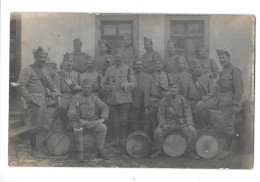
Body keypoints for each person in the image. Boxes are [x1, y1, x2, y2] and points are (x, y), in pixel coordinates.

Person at [196, 49, 244, 159]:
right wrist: (208, 96)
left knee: (228, 126)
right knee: (200, 105)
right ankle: (205, 129)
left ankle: (227, 150)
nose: (221, 60)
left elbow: (239, 89)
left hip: (229, 102)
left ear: (228, 58)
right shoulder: (222, 72)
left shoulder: (234, 70)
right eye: (220, 58)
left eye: (223, 58)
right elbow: (216, 87)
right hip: (218, 100)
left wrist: (236, 104)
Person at [16, 47, 61, 158]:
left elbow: (51, 85)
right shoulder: (27, 70)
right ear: (35, 57)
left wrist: (58, 95)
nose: (42, 59)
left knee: (43, 125)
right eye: (40, 57)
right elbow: (19, 85)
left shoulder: (44, 70)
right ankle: (34, 150)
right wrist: (29, 99)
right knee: (34, 126)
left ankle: (41, 147)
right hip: (35, 102)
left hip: (44, 101)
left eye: (44, 57)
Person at [150, 82, 199, 159]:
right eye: (171, 87)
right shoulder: (163, 100)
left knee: (193, 133)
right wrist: (163, 124)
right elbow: (160, 114)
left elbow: (188, 113)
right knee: (157, 133)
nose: (173, 89)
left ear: (178, 89)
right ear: (169, 89)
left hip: (182, 123)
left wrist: (190, 124)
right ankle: (160, 151)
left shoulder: (183, 99)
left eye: (175, 87)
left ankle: (189, 152)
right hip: (168, 123)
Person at [67, 79, 109, 161]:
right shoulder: (76, 98)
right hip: (79, 121)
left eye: (89, 88)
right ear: (82, 88)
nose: (87, 89)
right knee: (77, 128)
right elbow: (71, 110)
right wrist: (78, 119)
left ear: (91, 89)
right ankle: (80, 152)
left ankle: (99, 150)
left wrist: (103, 118)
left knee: (103, 128)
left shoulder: (94, 98)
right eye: (85, 87)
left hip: (91, 121)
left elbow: (105, 107)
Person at [101, 52, 136, 148]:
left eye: (119, 57)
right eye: (116, 57)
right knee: (114, 120)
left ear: (123, 58)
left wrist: (125, 85)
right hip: (112, 99)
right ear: (113, 58)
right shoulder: (109, 69)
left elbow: (134, 83)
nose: (118, 59)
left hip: (125, 98)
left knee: (123, 120)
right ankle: (115, 140)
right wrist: (106, 87)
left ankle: (123, 140)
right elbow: (102, 82)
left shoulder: (128, 69)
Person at [53, 53, 81, 130]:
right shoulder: (58, 74)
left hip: (74, 98)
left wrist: (79, 87)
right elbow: (56, 88)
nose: (69, 63)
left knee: (74, 118)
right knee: (64, 119)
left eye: (71, 61)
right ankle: (64, 135)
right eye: (67, 61)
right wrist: (58, 98)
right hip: (63, 98)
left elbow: (81, 85)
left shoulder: (76, 73)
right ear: (64, 62)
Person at [183, 61, 214, 129]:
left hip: (202, 102)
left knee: (204, 119)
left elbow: (212, 91)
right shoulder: (189, 80)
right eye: (195, 68)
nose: (197, 69)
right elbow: (185, 95)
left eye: (199, 67)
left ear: (202, 68)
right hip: (191, 104)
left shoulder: (207, 79)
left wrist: (208, 96)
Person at [147, 59, 173, 137]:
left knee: (166, 121)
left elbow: (173, 88)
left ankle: (165, 140)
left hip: (165, 102)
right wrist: (146, 106)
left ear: (162, 65)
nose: (158, 65)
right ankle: (156, 141)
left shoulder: (168, 76)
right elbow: (147, 92)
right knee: (154, 122)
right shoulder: (150, 77)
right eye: (156, 64)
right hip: (153, 102)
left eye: (160, 64)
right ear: (154, 65)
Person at [129, 59, 152, 131]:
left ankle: (144, 138)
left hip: (145, 102)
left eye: (140, 65)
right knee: (134, 120)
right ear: (134, 66)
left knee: (146, 121)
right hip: (133, 102)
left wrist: (147, 107)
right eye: (137, 64)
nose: (138, 66)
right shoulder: (129, 76)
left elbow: (149, 92)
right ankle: (136, 137)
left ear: (142, 66)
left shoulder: (148, 77)